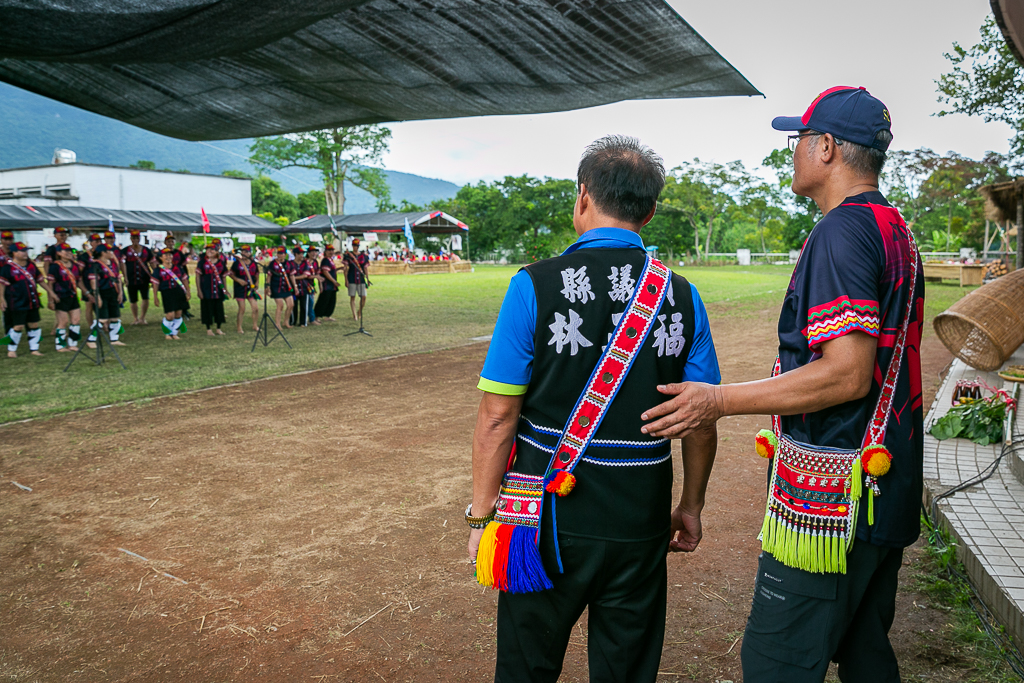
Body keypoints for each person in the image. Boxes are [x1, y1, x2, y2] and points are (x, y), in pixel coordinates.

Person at [640, 87, 923, 683]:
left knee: (778, 661)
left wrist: (717, 400)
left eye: (798, 140)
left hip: (833, 498)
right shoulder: (892, 225)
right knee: (866, 651)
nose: (791, 152)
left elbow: (847, 372)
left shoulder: (841, 233)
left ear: (825, 148)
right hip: (881, 481)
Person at [466, 136, 721, 683]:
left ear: (582, 197)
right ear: (649, 212)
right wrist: (691, 504)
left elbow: (497, 417)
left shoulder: (533, 285)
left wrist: (483, 515)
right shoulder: (683, 296)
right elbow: (700, 421)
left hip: (541, 519)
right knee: (626, 668)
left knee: (526, 665)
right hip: (641, 514)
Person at [0, 242, 53, 358]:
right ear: (14, 252)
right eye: (22, 251)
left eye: (26, 250)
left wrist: (51, 292)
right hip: (16, 301)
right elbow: (2, 284)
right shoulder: (7, 268)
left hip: (32, 300)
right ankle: (12, 349)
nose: (25, 253)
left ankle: (34, 348)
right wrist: (1, 298)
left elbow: (40, 280)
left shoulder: (31, 266)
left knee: (34, 324)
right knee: (18, 325)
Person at [87, 244, 126, 348]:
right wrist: (97, 296)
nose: (112, 253)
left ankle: (114, 339)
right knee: (102, 318)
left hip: (113, 291)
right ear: (103, 253)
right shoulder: (96, 265)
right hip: (102, 292)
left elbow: (117, 278)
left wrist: (120, 292)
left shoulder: (113, 263)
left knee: (115, 316)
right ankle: (91, 339)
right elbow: (93, 281)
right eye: (110, 251)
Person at [47, 243, 83, 351]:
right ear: (58, 253)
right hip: (60, 296)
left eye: (69, 251)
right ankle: (60, 345)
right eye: (65, 251)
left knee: (76, 320)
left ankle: (73, 343)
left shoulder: (75, 265)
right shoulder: (55, 266)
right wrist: (51, 299)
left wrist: (87, 292)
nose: (68, 253)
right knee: (63, 322)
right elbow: (50, 283)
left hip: (72, 295)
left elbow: (78, 281)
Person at [151, 248, 190, 340]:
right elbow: (155, 284)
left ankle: (174, 333)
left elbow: (184, 279)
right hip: (167, 292)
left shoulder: (178, 268)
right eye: (166, 255)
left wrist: (187, 291)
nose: (169, 257)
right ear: (161, 257)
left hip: (178, 291)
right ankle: (167, 333)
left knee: (178, 314)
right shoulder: (158, 270)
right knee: (170, 315)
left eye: (170, 255)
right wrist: (155, 297)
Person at [122, 230, 154, 325]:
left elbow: (152, 262)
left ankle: (142, 318)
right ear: (131, 239)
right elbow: (122, 264)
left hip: (144, 278)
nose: (135, 240)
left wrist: (154, 275)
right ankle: (135, 318)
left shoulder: (146, 250)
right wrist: (125, 277)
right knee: (133, 300)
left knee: (145, 297)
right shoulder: (125, 250)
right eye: (133, 238)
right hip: (131, 278)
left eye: (137, 238)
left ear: (140, 239)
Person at [197, 243, 228, 335]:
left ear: (216, 251)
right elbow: (198, 276)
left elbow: (223, 277)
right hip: (206, 289)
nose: (209, 252)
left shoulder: (220, 263)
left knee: (219, 308)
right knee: (207, 309)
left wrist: (225, 289)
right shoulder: (202, 262)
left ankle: (218, 328)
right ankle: (208, 328)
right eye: (207, 250)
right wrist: (199, 290)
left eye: (212, 250)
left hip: (218, 290)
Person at [229, 245, 261, 333]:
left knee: (255, 308)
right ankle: (239, 327)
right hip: (240, 288)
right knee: (242, 309)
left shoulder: (253, 263)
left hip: (251, 289)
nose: (244, 253)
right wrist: (238, 280)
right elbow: (231, 273)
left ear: (250, 253)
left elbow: (257, 273)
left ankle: (255, 325)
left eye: (246, 252)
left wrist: (257, 283)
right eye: (243, 251)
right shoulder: (237, 263)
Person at [264, 246, 295, 330]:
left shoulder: (289, 263)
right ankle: (277, 324)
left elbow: (291, 275)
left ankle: (286, 322)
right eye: (278, 253)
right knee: (280, 305)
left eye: (281, 253)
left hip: (286, 287)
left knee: (291, 304)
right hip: (276, 287)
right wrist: (268, 287)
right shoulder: (273, 263)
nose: (279, 255)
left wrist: (294, 286)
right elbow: (269, 276)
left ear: (285, 254)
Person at [314, 244, 341, 321]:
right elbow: (325, 272)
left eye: (332, 250)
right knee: (323, 300)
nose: (331, 252)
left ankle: (327, 315)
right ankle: (316, 316)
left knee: (331, 300)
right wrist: (334, 281)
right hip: (327, 284)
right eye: (329, 250)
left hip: (331, 285)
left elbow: (331, 271)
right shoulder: (325, 260)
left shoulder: (330, 260)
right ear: (325, 252)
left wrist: (339, 269)